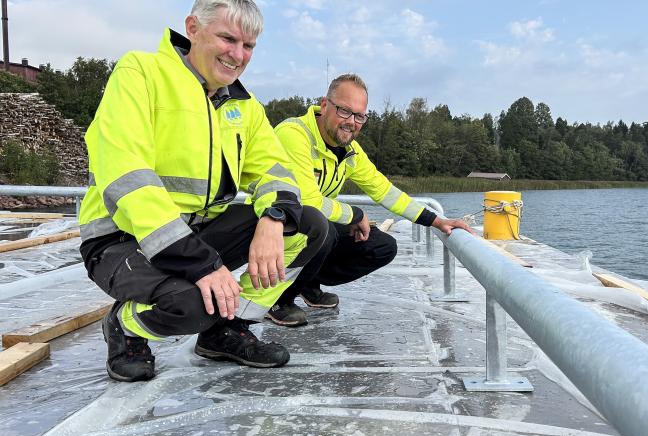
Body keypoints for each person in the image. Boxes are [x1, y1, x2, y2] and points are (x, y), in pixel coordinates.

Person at [78, 0, 328, 382]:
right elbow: (128, 177)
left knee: (309, 225)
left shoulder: (245, 107)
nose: (237, 55)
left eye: (248, 47)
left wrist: (274, 218)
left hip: (195, 235)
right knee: (194, 304)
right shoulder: (141, 72)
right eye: (228, 38)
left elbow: (276, 173)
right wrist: (204, 265)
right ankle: (125, 326)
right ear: (192, 27)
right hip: (122, 239)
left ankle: (224, 331)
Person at [268, 73, 473, 326]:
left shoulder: (349, 151)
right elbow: (307, 202)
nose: (351, 122)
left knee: (382, 246)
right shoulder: (294, 135)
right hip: (275, 226)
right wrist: (355, 215)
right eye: (344, 111)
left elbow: (384, 190)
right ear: (324, 105)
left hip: (311, 228)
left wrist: (436, 221)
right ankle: (279, 298)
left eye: (359, 116)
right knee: (323, 229)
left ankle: (307, 282)